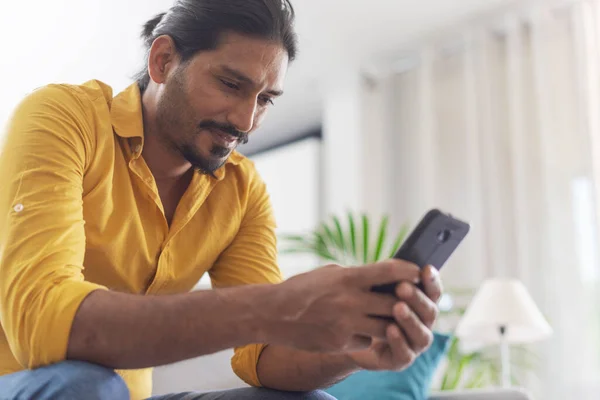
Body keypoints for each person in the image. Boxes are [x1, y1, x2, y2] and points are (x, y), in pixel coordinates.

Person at [0, 0, 442, 399]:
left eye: (265, 99)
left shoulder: (241, 190)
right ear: (163, 60)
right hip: (23, 382)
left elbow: (263, 355)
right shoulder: (63, 119)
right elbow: (41, 321)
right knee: (87, 385)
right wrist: (281, 304)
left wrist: (352, 351)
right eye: (231, 85)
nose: (246, 120)